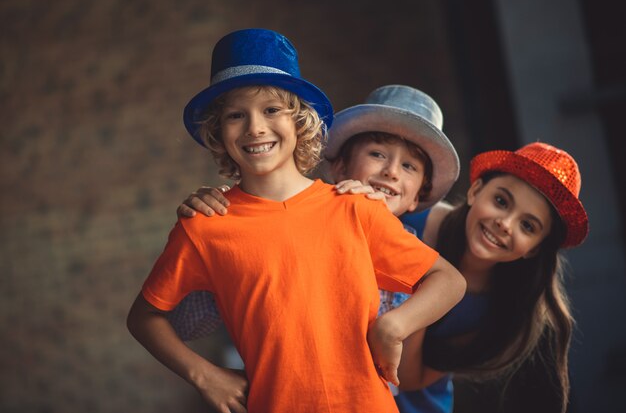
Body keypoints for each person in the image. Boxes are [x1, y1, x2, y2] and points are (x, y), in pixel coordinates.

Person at [126, 29, 465, 413]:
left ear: (301, 120)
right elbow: (145, 318)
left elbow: (450, 280)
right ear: (218, 131)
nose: (255, 127)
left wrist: (395, 326)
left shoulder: (354, 208)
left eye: (272, 110)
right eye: (237, 115)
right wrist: (205, 375)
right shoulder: (206, 223)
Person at [179, 141, 588, 413]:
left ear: (534, 247)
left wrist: (420, 297)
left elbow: (409, 378)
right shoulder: (410, 217)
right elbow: (307, 220)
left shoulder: (502, 312)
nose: (505, 224)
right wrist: (225, 204)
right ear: (476, 189)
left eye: (528, 226)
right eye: (501, 200)